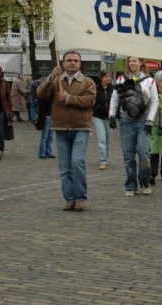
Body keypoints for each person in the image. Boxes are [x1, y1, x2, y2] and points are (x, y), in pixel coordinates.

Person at [37, 51, 96, 211]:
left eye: (75, 60)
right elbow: (41, 94)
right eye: (69, 60)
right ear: (63, 63)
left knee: (77, 162)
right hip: (61, 127)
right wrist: (50, 77)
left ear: (80, 64)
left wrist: (69, 98)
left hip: (81, 127)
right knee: (64, 167)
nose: (72, 63)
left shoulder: (87, 82)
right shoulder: (57, 80)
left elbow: (90, 101)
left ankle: (81, 197)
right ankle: (69, 198)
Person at [109, 56, 159, 196]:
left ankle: (144, 180)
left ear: (141, 63)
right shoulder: (121, 79)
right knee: (128, 155)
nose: (132, 63)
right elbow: (114, 98)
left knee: (144, 153)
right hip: (126, 121)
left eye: (134, 61)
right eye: (130, 61)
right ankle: (130, 184)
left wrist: (150, 120)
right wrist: (112, 115)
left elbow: (155, 101)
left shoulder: (149, 81)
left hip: (143, 121)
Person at [92, 70, 113, 170]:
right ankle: (103, 160)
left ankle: (105, 157)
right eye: (106, 76)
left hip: (109, 117)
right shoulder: (95, 88)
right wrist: (94, 109)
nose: (108, 78)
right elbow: (92, 101)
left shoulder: (113, 88)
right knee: (102, 139)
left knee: (108, 140)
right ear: (101, 78)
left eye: (110, 76)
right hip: (98, 116)